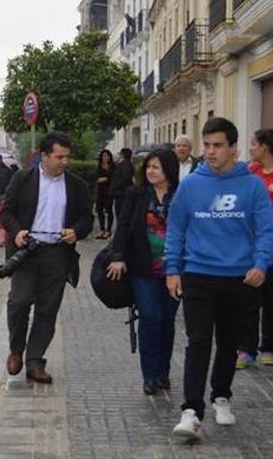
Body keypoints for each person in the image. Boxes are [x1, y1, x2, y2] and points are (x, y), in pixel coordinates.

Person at [168, 117, 273, 440]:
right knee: (198, 342)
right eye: (207, 145)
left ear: (233, 149)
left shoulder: (252, 185)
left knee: (228, 343)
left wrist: (261, 264)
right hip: (198, 274)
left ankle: (221, 397)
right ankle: (191, 411)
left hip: (238, 278)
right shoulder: (191, 185)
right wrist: (172, 269)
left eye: (217, 146)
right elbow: (176, 228)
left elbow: (266, 230)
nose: (210, 152)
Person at [0, 131, 93, 384]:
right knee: (19, 301)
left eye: (67, 157)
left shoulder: (77, 185)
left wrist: (76, 231)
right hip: (27, 252)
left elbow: (87, 218)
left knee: (47, 309)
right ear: (44, 156)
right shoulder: (22, 179)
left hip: (57, 254)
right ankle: (16, 350)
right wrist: (17, 232)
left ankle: (35, 360)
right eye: (59, 157)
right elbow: (6, 212)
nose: (65, 162)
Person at [107, 149, 181, 395]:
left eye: (156, 167)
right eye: (148, 167)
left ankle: (163, 372)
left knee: (167, 321)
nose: (150, 171)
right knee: (150, 316)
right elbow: (124, 226)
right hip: (143, 268)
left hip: (174, 269)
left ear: (169, 170)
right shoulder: (136, 194)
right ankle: (149, 375)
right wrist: (118, 257)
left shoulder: (182, 195)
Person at [236, 128, 273, 369]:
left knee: (271, 300)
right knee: (248, 299)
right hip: (251, 247)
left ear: (265, 147)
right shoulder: (250, 172)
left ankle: (268, 347)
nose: (250, 148)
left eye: (253, 144)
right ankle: (245, 349)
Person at [95, 149, 115, 240]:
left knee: (109, 209)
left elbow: (114, 177)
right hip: (100, 190)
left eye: (107, 156)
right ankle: (102, 229)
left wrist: (106, 179)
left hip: (109, 191)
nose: (105, 158)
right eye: (103, 156)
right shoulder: (99, 166)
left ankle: (108, 230)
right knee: (99, 210)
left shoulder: (113, 166)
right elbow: (95, 177)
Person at [110, 148, 135, 218]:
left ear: (123, 155)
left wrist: (115, 186)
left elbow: (125, 178)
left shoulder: (125, 164)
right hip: (122, 192)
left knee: (121, 213)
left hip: (122, 193)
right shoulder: (127, 164)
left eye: (120, 154)